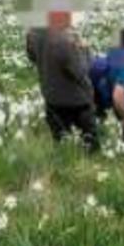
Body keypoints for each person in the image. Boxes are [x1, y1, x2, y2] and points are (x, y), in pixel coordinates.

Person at [25, 10, 99, 150]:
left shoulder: (35, 33)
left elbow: (32, 57)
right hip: (77, 103)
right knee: (90, 150)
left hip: (51, 99)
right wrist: (85, 49)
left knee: (62, 147)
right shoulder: (65, 40)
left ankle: (62, 170)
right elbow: (81, 71)